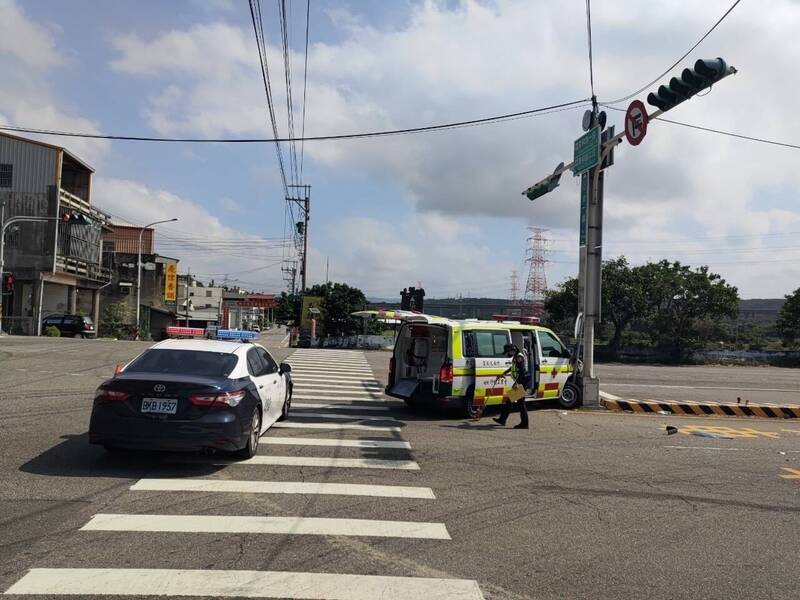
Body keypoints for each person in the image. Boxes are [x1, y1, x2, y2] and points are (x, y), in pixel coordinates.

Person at [493, 343, 530, 429]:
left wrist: (516, 383)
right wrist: (503, 373)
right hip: (520, 382)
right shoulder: (516, 357)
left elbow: (522, 372)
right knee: (510, 401)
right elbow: (512, 367)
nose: (508, 354)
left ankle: (524, 424)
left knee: (519, 403)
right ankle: (503, 419)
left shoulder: (519, 357)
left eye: (508, 352)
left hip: (521, 383)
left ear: (513, 350)